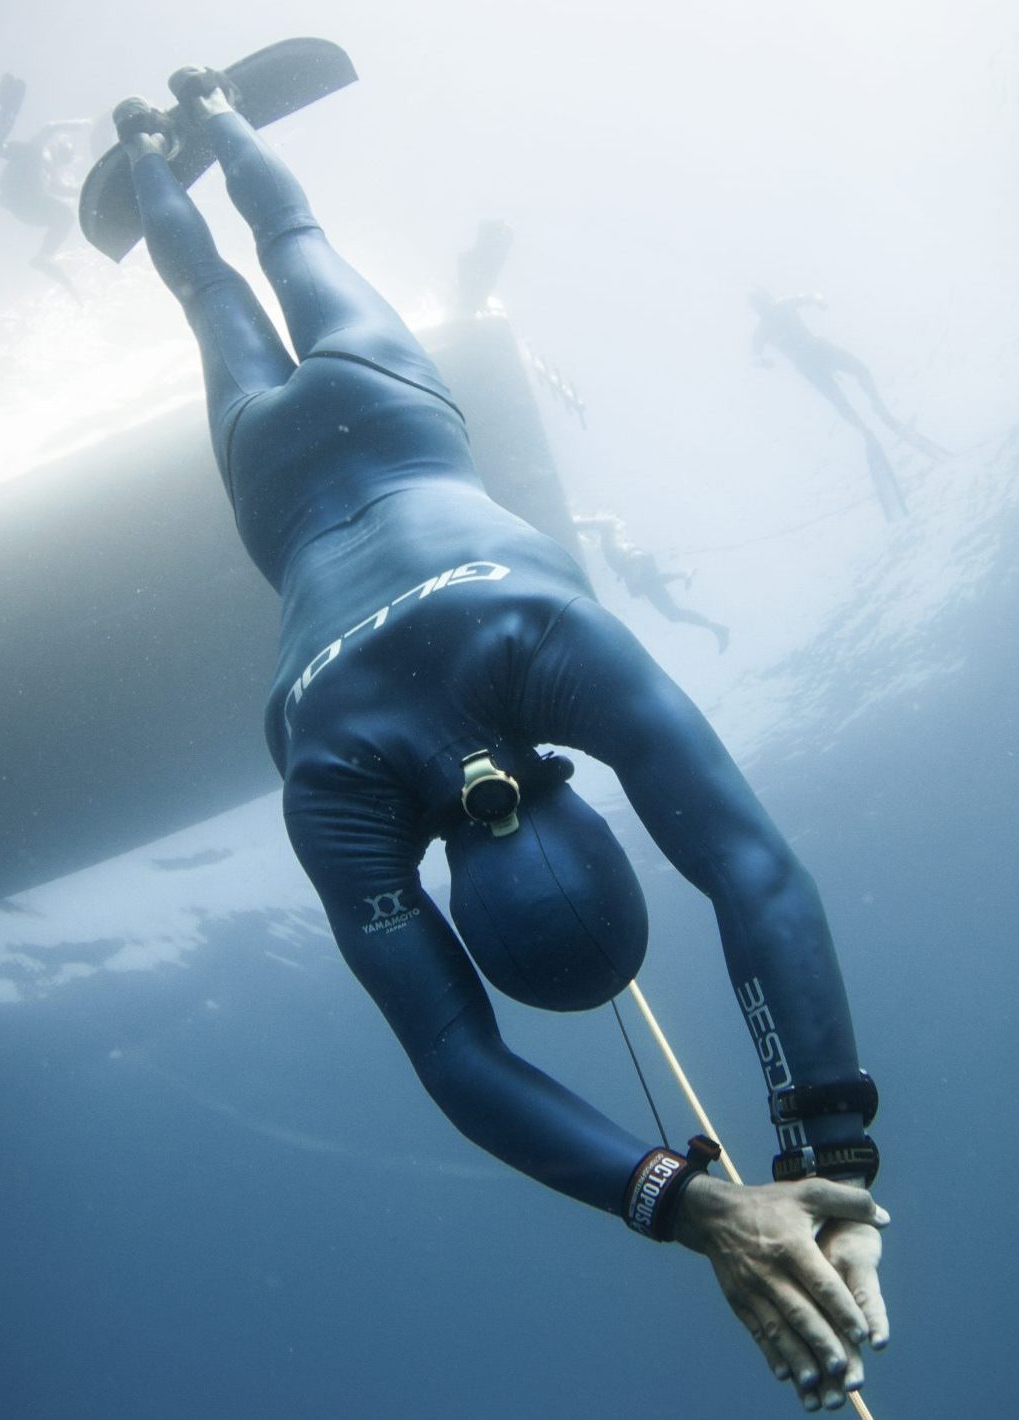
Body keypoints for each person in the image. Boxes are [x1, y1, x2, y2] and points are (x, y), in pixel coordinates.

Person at [107, 67, 890, 1411]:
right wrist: (694, 1208)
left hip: (391, 417)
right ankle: (162, 147)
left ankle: (217, 114)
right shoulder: (329, 784)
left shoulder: (544, 642)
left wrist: (833, 1166)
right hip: (282, 494)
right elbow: (458, 1063)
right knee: (219, 302)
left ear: (581, 809)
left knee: (296, 251)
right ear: (452, 898)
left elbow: (751, 874)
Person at [749, 287, 946, 522]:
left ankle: (877, 413)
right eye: (759, 305)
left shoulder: (781, 307)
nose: (764, 307)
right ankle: (867, 428)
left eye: (762, 302)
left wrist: (820, 301)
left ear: (766, 299)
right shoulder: (763, 327)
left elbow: (812, 296)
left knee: (859, 374)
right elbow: (755, 354)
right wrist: (762, 361)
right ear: (759, 307)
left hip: (817, 352)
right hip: (810, 363)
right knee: (842, 399)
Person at [0, 74, 92, 298]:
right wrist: (79, 124)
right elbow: (49, 127)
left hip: (27, 208)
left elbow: (65, 190)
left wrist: (90, 186)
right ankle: (0, 148)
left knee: (66, 216)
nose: (65, 157)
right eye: (66, 151)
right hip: (21, 198)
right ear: (60, 146)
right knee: (29, 154)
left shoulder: (50, 172)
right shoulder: (40, 149)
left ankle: (44, 256)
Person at [574, 512, 729, 652]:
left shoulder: (609, 523)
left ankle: (682, 574)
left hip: (634, 561)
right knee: (672, 613)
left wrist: (571, 521)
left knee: (641, 589)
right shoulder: (610, 531)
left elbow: (583, 523)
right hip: (636, 563)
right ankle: (715, 627)